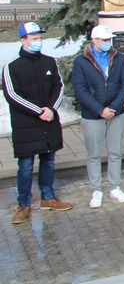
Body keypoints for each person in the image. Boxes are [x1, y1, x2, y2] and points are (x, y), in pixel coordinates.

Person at [3, 22, 71, 224]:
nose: (38, 42)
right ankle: (24, 204)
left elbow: (59, 87)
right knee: (25, 166)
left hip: (48, 122)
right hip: (26, 125)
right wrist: (38, 111)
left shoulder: (49, 62)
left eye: (39, 38)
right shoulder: (12, 66)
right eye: (34, 39)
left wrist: (51, 109)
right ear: (23, 40)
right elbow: (12, 95)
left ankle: (48, 197)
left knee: (48, 162)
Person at [71, 24, 124, 208]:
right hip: (93, 115)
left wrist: (113, 107)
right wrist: (100, 110)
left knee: (115, 152)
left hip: (116, 113)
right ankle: (96, 190)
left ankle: (115, 187)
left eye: (109, 40)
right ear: (94, 40)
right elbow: (80, 90)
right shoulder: (81, 62)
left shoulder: (118, 58)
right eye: (104, 40)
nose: (108, 43)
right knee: (94, 155)